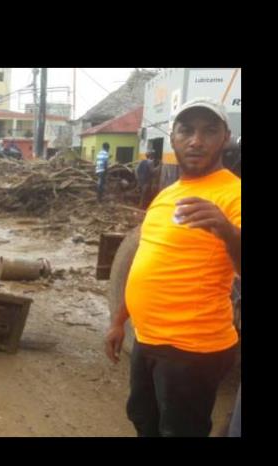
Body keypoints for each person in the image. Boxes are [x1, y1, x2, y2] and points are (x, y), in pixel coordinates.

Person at [104, 98, 241, 437]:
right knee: (143, 419)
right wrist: (119, 321)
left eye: (209, 131)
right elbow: (147, 265)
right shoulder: (166, 196)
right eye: (186, 130)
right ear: (173, 137)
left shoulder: (234, 194)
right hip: (148, 339)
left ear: (225, 138)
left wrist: (227, 230)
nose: (196, 140)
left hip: (192, 349)